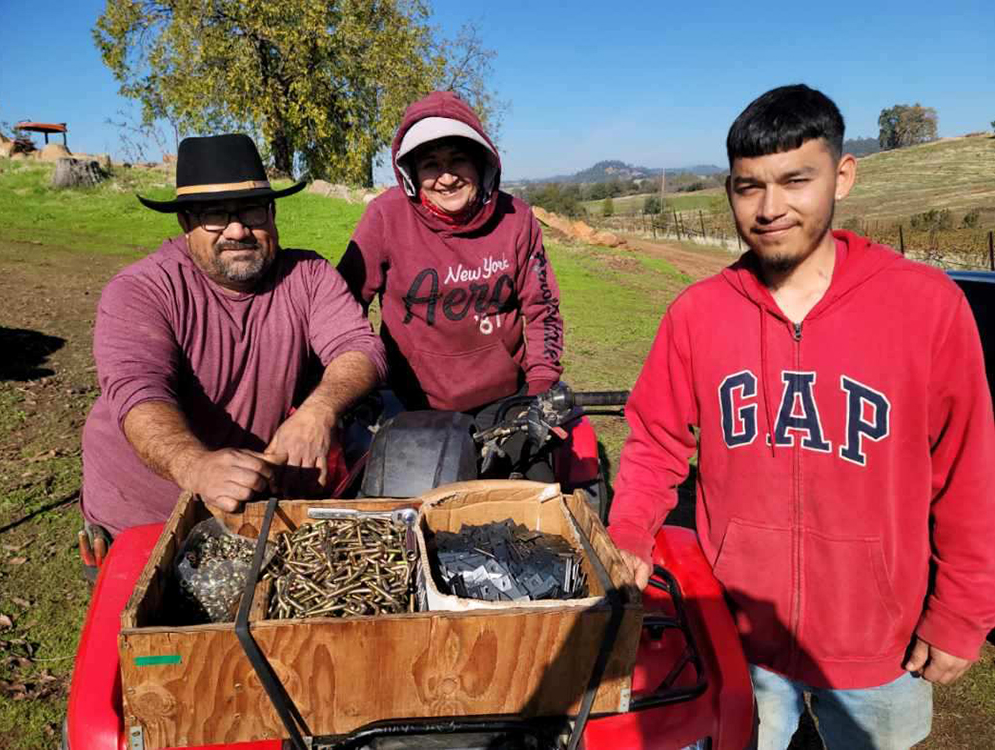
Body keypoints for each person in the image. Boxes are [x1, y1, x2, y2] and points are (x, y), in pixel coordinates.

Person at [607, 84, 995, 749]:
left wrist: (961, 611)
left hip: (881, 638)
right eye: (747, 187)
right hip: (737, 631)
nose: (769, 208)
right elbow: (656, 442)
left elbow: (968, 470)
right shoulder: (698, 315)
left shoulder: (926, 308)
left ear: (843, 176)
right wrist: (629, 537)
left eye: (795, 180)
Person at [81, 133, 387, 550]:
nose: (238, 229)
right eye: (215, 216)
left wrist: (319, 410)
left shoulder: (308, 276)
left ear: (272, 213)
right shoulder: (141, 290)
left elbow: (359, 346)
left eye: (252, 211)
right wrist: (194, 466)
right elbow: (138, 394)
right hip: (142, 517)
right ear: (186, 223)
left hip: (248, 506)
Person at [336, 91, 564, 474]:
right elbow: (343, 306)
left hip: (504, 398)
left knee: (532, 498)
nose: (446, 177)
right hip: (410, 401)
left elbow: (542, 308)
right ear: (410, 173)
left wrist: (540, 386)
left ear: (482, 163)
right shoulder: (385, 216)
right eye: (430, 164)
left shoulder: (517, 218)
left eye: (458, 159)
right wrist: (350, 383)